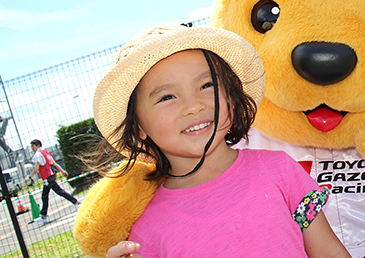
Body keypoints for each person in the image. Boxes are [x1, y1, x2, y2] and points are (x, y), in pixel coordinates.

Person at [92, 24, 350, 258]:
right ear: (138, 127)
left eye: (206, 85)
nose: (193, 106)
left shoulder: (279, 170)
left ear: (232, 98)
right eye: (167, 97)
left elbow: (329, 252)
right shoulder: (145, 235)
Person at [24, 139, 80, 224]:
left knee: (58, 192)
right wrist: (62, 171)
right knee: (45, 196)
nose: (32, 148)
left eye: (33, 146)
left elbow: (36, 169)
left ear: (38, 145)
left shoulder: (38, 155)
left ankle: (76, 202)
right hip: (50, 176)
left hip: (47, 178)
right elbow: (54, 163)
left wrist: (29, 177)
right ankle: (43, 216)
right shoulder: (45, 152)